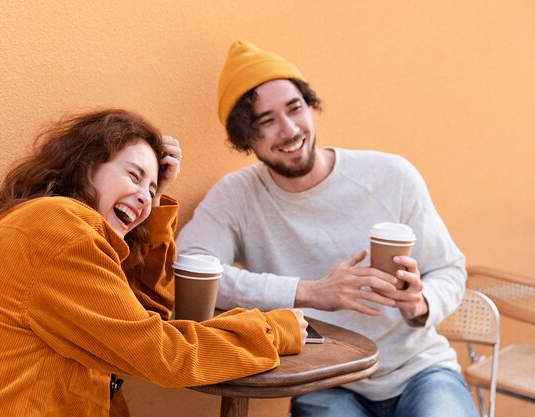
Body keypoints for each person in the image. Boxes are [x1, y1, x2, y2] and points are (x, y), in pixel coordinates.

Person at [0, 108, 308, 417]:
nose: (144, 199)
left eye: (152, 190)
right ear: (84, 165)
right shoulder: (57, 226)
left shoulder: (49, 227)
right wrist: (274, 329)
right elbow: (163, 354)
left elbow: (143, 314)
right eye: (133, 176)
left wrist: (155, 204)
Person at [177, 41, 478, 417]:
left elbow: (449, 269)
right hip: (325, 381)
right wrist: (310, 292)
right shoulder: (238, 196)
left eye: (295, 108)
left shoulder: (391, 176)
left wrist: (421, 303)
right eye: (266, 121)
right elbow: (189, 267)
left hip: (420, 370)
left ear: (309, 105)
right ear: (244, 138)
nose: (289, 130)